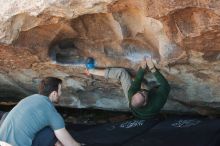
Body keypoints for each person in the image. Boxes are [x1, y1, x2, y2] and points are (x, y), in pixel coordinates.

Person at [0, 77, 81, 146]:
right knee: (49, 133)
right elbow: (69, 143)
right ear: (54, 93)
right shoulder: (50, 111)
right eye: (60, 90)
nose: (61, 93)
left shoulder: (29, 98)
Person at [86, 57, 170, 119]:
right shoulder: (157, 102)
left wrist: (142, 67)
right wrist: (152, 68)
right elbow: (166, 85)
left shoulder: (131, 94)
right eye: (142, 94)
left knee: (122, 73)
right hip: (149, 110)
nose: (142, 91)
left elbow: (137, 82)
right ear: (145, 102)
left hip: (137, 107)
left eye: (139, 92)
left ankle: (92, 71)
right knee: (153, 87)